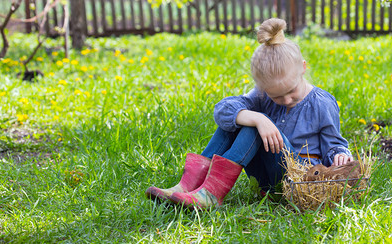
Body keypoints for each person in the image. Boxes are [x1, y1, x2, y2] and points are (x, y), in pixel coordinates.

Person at [146, 18, 353, 209]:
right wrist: (258, 117)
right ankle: (188, 185)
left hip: (296, 180)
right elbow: (223, 110)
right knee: (240, 119)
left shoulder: (322, 103)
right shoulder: (262, 95)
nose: (286, 100)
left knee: (253, 129)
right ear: (263, 88)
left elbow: (334, 144)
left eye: (291, 91)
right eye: (277, 97)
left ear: (303, 68)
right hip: (264, 180)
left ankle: (211, 193)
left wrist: (341, 155)